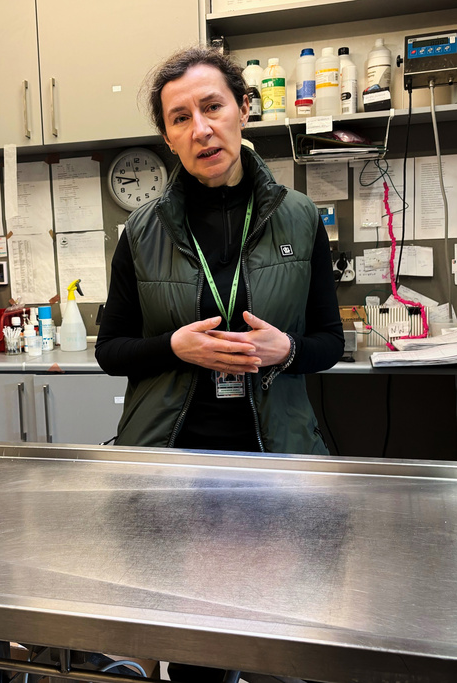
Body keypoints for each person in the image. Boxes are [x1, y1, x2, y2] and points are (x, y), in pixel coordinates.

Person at [95, 46, 343, 456]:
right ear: (168, 139)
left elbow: (330, 342)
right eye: (180, 118)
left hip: (277, 452)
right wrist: (173, 347)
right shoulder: (142, 229)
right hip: (168, 454)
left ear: (244, 109)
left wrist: (287, 349)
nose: (201, 129)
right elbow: (110, 351)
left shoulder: (300, 217)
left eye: (212, 107)